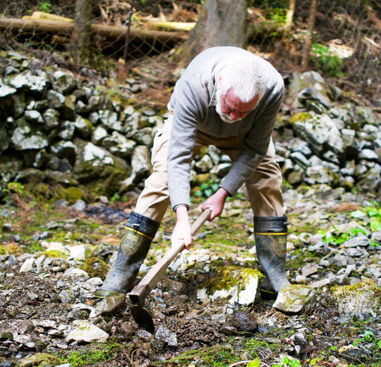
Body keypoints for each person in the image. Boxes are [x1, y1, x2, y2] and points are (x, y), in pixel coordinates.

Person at [95, 46, 290, 302]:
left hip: (245, 136)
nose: (233, 116)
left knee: (267, 178)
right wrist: (182, 218)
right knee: (163, 177)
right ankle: (121, 275)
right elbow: (178, 158)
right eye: (230, 107)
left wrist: (223, 193)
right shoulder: (195, 83)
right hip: (192, 127)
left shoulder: (272, 87)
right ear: (219, 83)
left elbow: (255, 149)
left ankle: (273, 274)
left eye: (243, 111)